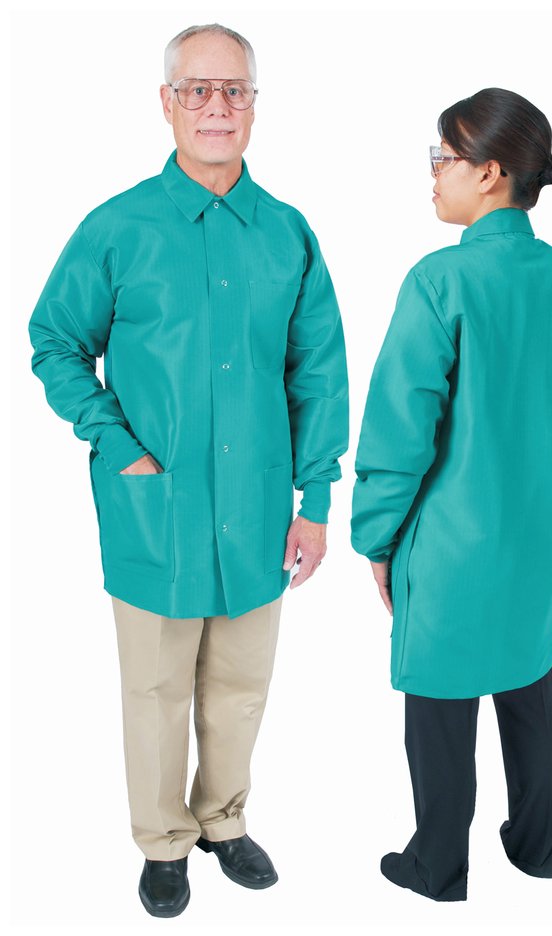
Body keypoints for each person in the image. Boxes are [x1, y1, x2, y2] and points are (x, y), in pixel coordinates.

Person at [29, 22, 348, 918]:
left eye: (234, 90)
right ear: (165, 103)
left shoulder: (287, 234)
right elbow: (55, 340)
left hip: (259, 510)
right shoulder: (118, 227)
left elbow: (318, 373)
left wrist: (316, 499)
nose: (217, 106)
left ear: (255, 107)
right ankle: (164, 842)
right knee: (156, 690)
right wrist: (117, 442)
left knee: (241, 688)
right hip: (155, 507)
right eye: (198, 89)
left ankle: (223, 821)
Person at [350, 87, 552, 903]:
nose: (434, 172)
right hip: (538, 538)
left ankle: (437, 865)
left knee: (440, 702)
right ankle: (538, 849)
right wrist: (531, 463)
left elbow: (399, 433)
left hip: (450, 542)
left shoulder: (441, 281)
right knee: (530, 685)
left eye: (445, 157)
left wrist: (378, 538)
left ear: (491, 171)